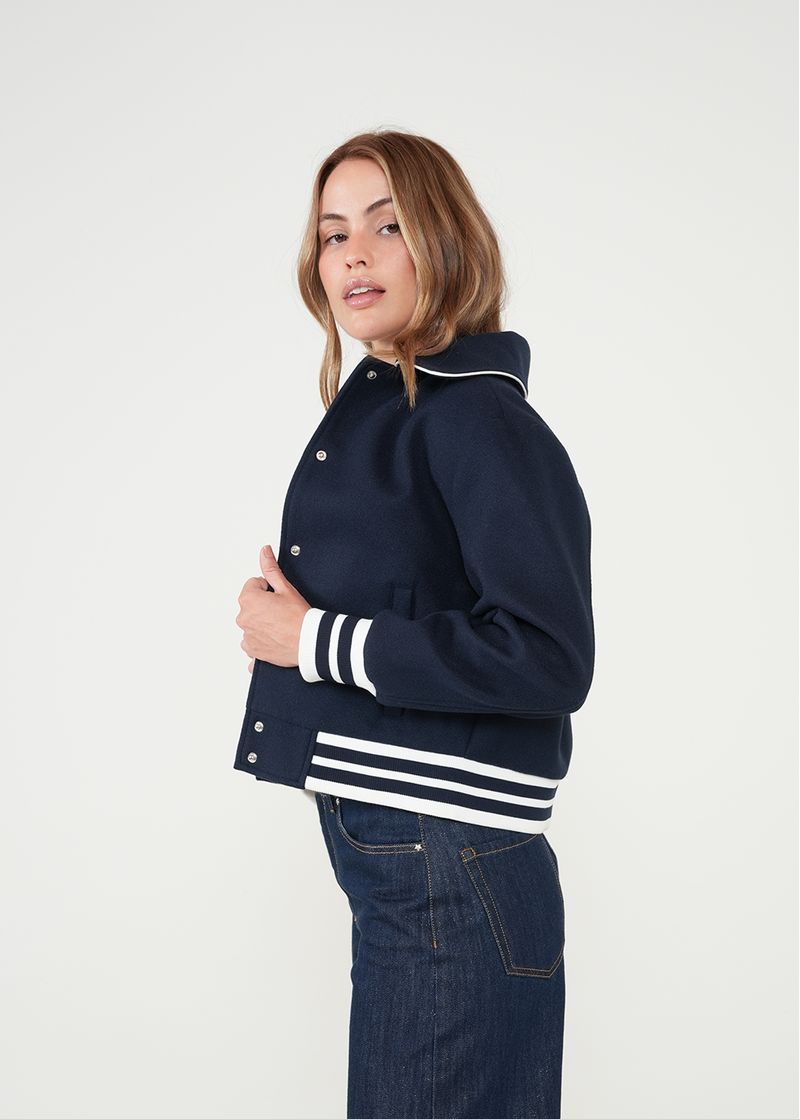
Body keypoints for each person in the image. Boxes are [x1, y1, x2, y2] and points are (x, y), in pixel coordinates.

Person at [234, 128, 595, 1119]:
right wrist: (296, 648)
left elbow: (548, 655)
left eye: (386, 226)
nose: (353, 254)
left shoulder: (474, 418)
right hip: (428, 869)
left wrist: (311, 641)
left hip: (449, 869)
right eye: (332, 233)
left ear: (447, 239)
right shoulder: (407, 410)